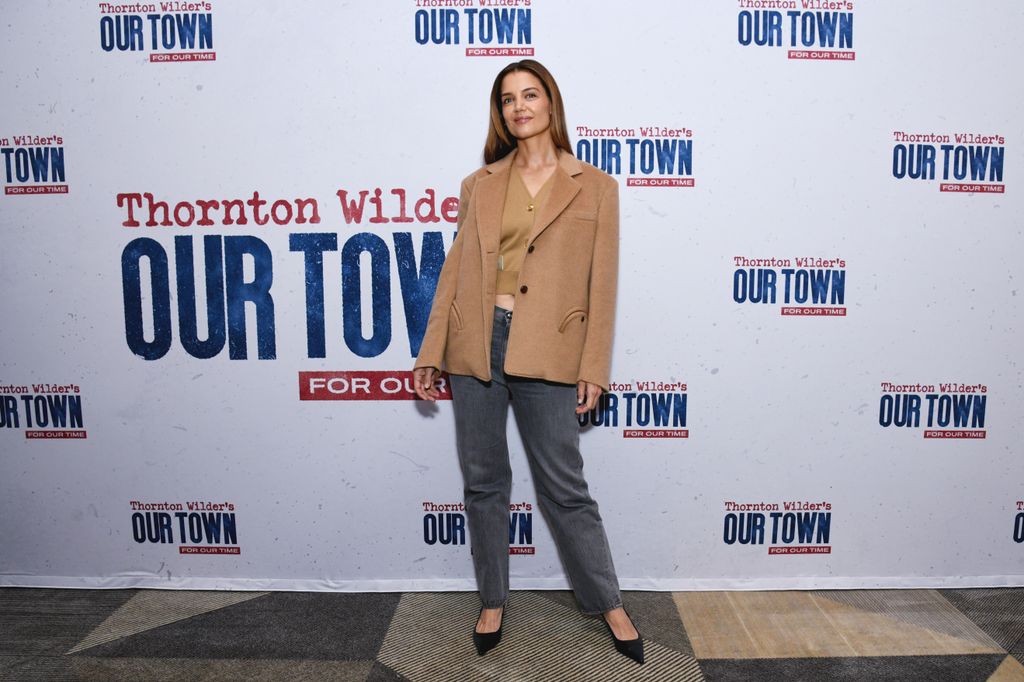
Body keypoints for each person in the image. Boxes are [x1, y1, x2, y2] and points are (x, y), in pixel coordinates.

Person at [413, 59, 643, 665]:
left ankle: (607, 601)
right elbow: (455, 272)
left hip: (551, 349)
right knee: (484, 482)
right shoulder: (480, 183)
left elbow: (603, 286)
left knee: (565, 489)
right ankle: (493, 598)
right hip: (475, 345)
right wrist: (431, 350)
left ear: (551, 103)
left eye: (530, 95)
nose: (519, 107)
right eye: (508, 99)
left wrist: (594, 366)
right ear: (501, 113)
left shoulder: (595, 186)